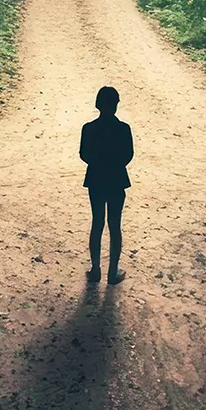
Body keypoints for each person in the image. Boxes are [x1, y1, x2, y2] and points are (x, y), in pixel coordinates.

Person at [79, 85, 133, 284]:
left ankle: (95, 269)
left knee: (97, 223)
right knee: (115, 225)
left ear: (98, 104)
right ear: (116, 105)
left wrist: (99, 164)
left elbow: (84, 154)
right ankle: (113, 272)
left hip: (95, 179)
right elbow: (128, 155)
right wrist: (114, 164)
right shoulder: (123, 129)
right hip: (117, 179)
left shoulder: (88, 128)